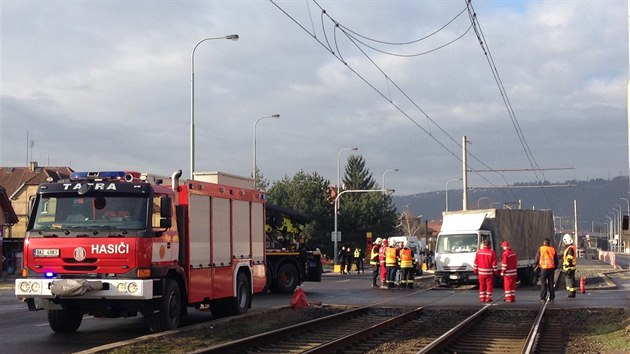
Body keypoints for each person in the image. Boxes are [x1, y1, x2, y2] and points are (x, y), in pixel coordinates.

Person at [535, 237, 558, 303]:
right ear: (549, 243)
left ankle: (543, 298)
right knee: (551, 283)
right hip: (551, 269)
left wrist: (535, 266)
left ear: (544, 243)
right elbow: (556, 261)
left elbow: (537, 258)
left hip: (543, 269)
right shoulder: (553, 249)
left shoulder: (541, 249)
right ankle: (552, 298)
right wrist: (555, 267)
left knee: (543, 283)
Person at [562, 233, 578, 298]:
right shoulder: (570, 248)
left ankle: (571, 293)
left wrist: (567, 266)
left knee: (570, 281)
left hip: (569, 267)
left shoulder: (570, 248)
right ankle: (570, 293)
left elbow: (569, 258)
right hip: (570, 267)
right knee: (569, 280)